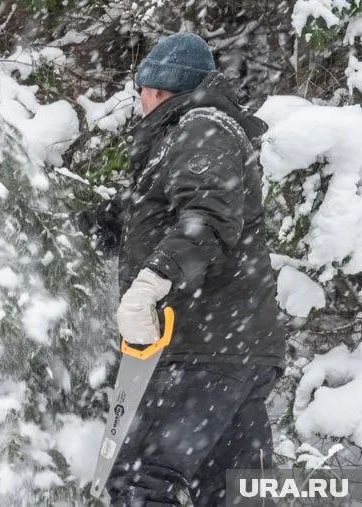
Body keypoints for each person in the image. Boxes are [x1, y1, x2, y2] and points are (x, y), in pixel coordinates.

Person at [79, 32, 286, 505]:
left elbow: (207, 217)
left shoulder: (202, 128)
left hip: (199, 349)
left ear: (157, 90)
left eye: (140, 93)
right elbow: (146, 212)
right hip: (237, 353)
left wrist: (151, 283)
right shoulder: (194, 138)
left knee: (140, 480)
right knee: (238, 493)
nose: (138, 104)